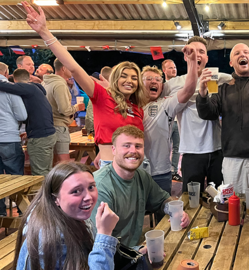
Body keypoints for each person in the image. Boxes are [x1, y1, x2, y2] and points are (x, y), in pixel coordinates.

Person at [22, 2, 154, 169]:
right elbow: (74, 68)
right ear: (115, 80)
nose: (129, 80)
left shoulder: (137, 107)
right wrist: (44, 32)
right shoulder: (101, 95)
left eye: (134, 78)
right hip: (110, 169)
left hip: (139, 166)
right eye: (124, 76)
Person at [196, 43, 249, 193]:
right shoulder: (223, 88)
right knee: (234, 209)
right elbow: (208, 114)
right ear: (231, 63)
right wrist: (202, 93)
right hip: (232, 161)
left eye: (246, 52)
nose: (242, 55)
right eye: (237, 53)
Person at [91, 125, 190, 247]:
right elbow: (100, 243)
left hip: (134, 248)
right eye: (126, 145)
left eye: (138, 146)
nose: (133, 151)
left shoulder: (142, 176)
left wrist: (175, 211)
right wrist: (137, 252)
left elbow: (162, 200)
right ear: (113, 150)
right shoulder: (100, 187)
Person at [13, 162, 119, 270]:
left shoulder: (72, 216)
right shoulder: (53, 238)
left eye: (91, 187)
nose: (88, 197)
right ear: (55, 199)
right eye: (76, 191)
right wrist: (104, 234)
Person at [162, 36, 232, 193]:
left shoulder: (217, 77)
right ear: (186, 56)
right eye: (193, 51)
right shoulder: (173, 84)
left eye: (202, 51)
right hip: (191, 152)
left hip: (217, 150)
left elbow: (240, 81)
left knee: (219, 198)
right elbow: (151, 95)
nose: (197, 55)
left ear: (207, 57)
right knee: (191, 200)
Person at [142, 61, 198, 195]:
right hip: (135, 171)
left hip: (161, 172)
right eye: (149, 79)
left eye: (158, 79)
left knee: (162, 213)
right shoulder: (130, 106)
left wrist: (192, 62)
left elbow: (188, 90)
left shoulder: (166, 103)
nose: (154, 82)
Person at [0, 68, 56, 176]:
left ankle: (43, 193)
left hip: (40, 136)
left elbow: (6, 86)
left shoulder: (28, 88)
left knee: (40, 174)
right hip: (45, 134)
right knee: (44, 172)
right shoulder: (35, 90)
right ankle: (46, 192)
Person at [44, 58, 85, 163]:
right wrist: (77, 107)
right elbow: (64, 110)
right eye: (70, 68)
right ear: (64, 68)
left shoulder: (45, 83)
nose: (73, 71)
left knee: (53, 162)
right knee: (64, 162)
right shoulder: (60, 84)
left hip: (48, 126)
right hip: (59, 127)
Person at [0, 62, 28, 217]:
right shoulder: (11, 89)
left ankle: (1, 215)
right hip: (9, 137)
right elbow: (22, 115)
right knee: (16, 178)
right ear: (6, 73)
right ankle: (23, 214)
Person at [162, 60, 181, 180]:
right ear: (164, 70)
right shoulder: (162, 87)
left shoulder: (180, 85)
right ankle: (165, 170)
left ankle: (174, 171)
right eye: (170, 68)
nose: (174, 69)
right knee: (165, 147)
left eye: (174, 67)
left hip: (178, 121)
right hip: (165, 122)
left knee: (177, 147)